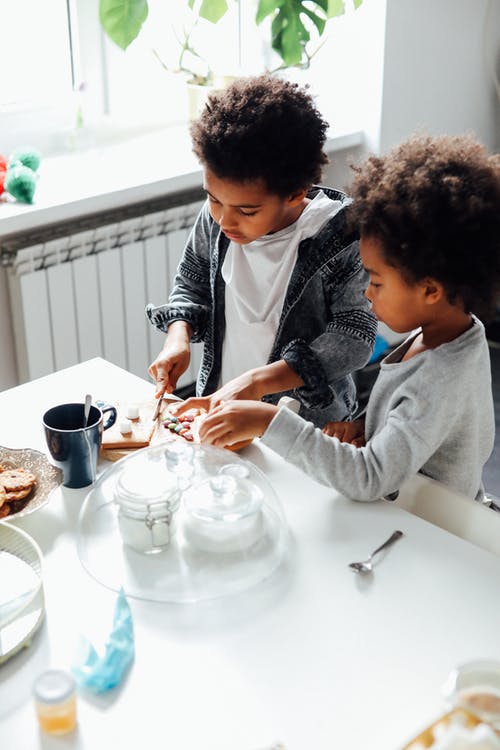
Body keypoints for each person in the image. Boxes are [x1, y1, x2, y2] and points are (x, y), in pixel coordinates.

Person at [189, 134, 500, 502]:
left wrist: (269, 421)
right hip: (414, 511)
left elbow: (370, 479)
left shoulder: (439, 379)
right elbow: (419, 430)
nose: (367, 292)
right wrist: (367, 428)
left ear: (430, 290)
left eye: (377, 281)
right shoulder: (450, 335)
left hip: (433, 528)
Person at [146, 75, 376, 427]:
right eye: (213, 198)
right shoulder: (219, 217)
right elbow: (190, 282)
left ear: (296, 193)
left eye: (247, 211)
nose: (224, 220)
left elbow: (354, 336)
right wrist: (178, 337)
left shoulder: (342, 238)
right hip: (222, 401)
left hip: (304, 424)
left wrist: (257, 383)